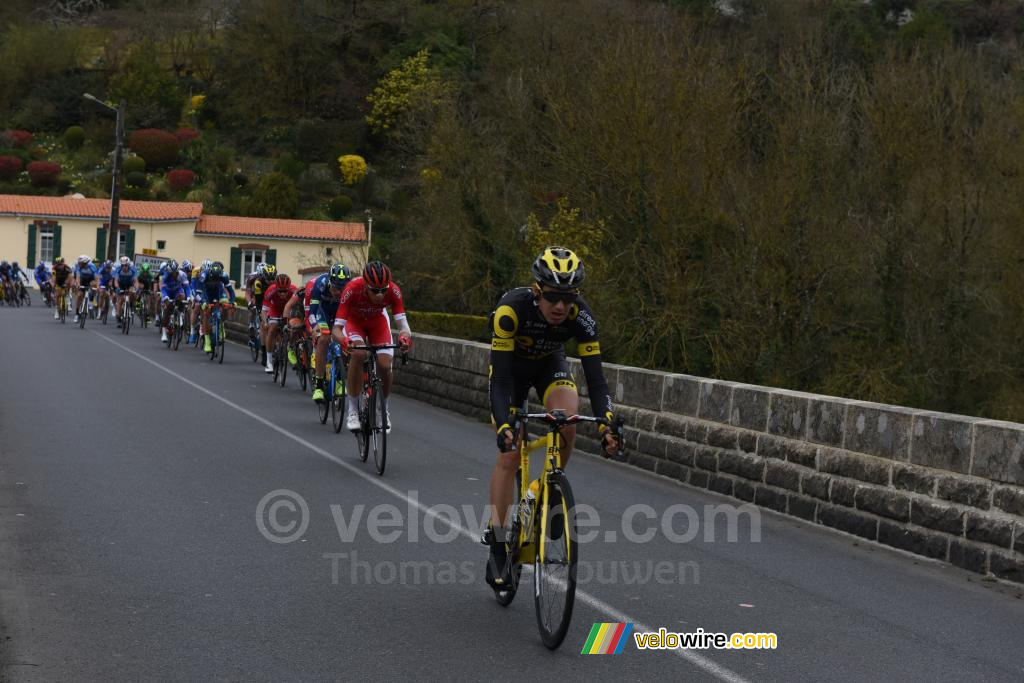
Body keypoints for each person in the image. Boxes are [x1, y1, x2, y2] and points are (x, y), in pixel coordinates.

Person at [482, 246, 622, 588]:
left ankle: (551, 493)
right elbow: (499, 380)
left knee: (569, 420)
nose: (560, 306)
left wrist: (606, 421)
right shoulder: (509, 312)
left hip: (549, 365)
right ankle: (499, 543)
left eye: (568, 298)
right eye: (552, 297)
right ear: (537, 291)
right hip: (511, 374)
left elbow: (596, 379)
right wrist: (504, 425)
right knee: (510, 453)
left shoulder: (582, 317)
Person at [335, 261, 412, 431]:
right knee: (359, 354)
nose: (379, 295)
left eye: (383, 290)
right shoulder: (351, 289)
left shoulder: (394, 290)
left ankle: (383, 409)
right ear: (365, 285)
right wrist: (345, 341)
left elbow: (404, 327)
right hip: (355, 323)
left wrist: (405, 339)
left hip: (378, 322)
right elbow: (337, 329)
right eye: (375, 290)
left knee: (384, 365)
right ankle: (353, 410)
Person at [285, 264, 352, 403]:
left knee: (347, 342)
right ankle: (319, 385)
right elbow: (311, 313)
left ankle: (340, 380)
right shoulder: (318, 286)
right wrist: (315, 328)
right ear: (329, 282)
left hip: (340, 311)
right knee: (324, 340)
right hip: (322, 312)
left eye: (341, 289)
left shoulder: (350, 289)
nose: (338, 292)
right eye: (335, 288)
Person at [261, 272, 298, 373]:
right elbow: (264, 310)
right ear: (276, 288)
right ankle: (269, 362)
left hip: (289, 311)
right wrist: (265, 322)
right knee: (272, 329)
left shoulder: (294, 290)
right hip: (275, 310)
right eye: (280, 291)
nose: (282, 294)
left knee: (293, 328)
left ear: (289, 288)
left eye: (285, 291)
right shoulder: (270, 290)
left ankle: (291, 348)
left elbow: (299, 307)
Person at [198, 261, 235, 353]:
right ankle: (207, 341)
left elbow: (231, 291)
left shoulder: (224, 276)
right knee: (206, 313)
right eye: (214, 278)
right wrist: (203, 302)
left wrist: (232, 302)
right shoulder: (204, 275)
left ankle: (221, 325)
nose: (215, 280)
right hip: (207, 294)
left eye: (217, 278)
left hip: (219, 293)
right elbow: (199, 292)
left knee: (225, 307)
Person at [246, 263, 275, 364]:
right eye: (268, 279)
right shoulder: (254, 279)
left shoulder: (275, 281)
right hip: (258, 296)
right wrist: (251, 303)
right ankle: (251, 325)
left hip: (269, 298)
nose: (270, 281)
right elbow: (249, 293)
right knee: (253, 307)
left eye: (272, 279)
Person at [159, 260, 191, 343]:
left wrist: (188, 298)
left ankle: (180, 314)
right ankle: (164, 333)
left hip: (177, 290)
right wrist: (165, 297)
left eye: (175, 272)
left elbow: (187, 287)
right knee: (168, 309)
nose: (174, 275)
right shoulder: (165, 276)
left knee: (182, 297)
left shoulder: (182, 275)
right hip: (168, 291)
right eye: (172, 273)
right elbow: (163, 289)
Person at [72, 255, 98, 322]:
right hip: (82, 280)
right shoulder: (78, 267)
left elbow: (96, 278)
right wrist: (78, 284)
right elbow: (78, 277)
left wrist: (96, 285)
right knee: (79, 295)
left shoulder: (92, 266)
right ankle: (77, 314)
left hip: (90, 279)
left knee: (94, 285)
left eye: (80, 263)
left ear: (85, 263)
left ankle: (92, 301)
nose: (78, 264)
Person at [112, 256, 138, 322]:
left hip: (130, 284)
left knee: (133, 293)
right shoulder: (118, 269)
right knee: (120, 300)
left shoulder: (133, 269)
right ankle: (118, 316)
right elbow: (116, 280)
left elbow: (135, 281)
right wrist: (117, 287)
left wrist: (135, 288)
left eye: (126, 265)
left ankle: (132, 306)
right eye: (123, 265)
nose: (124, 267)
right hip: (121, 285)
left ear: (128, 265)